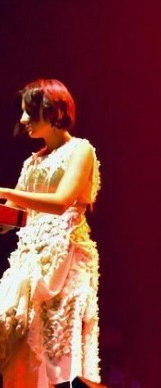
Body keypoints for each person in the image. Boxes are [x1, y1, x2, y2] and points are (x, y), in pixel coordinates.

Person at [0, 79, 101, 386]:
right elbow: (11, 217)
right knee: (20, 346)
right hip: (30, 263)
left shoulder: (80, 150)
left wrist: (4, 191)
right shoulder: (32, 162)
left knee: (58, 351)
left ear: (53, 111)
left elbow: (60, 203)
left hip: (65, 259)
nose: (22, 120)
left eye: (29, 112)